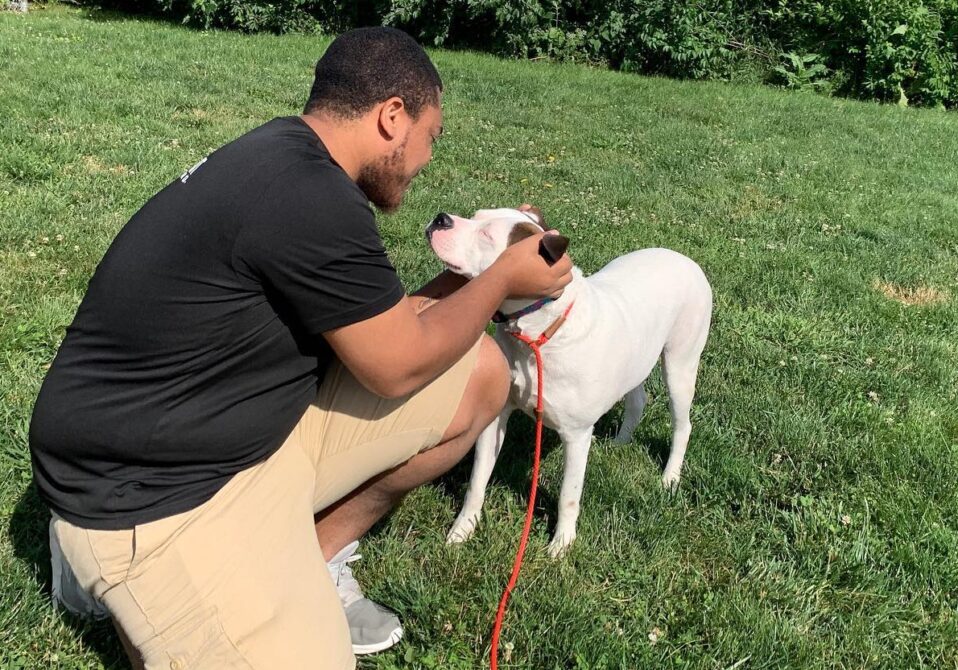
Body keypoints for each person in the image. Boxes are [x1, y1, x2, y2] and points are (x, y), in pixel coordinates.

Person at [29, 26, 572, 669]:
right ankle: (136, 588)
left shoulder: (290, 161)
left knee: (479, 373)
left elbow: (394, 335)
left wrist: (480, 267)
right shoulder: (311, 200)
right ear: (392, 117)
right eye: (431, 137)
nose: (428, 159)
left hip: (235, 431)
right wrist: (506, 278)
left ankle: (306, 562)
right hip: (147, 501)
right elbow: (398, 369)